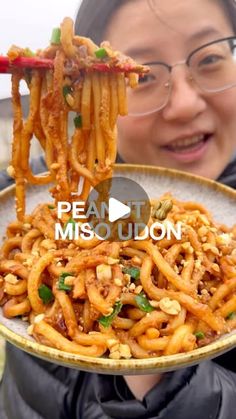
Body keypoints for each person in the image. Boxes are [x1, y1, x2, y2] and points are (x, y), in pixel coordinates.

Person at [1, 0, 236, 417]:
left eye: (211, 57)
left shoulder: (215, 238)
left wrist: (170, 388)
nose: (184, 104)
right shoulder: (56, 194)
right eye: (143, 75)